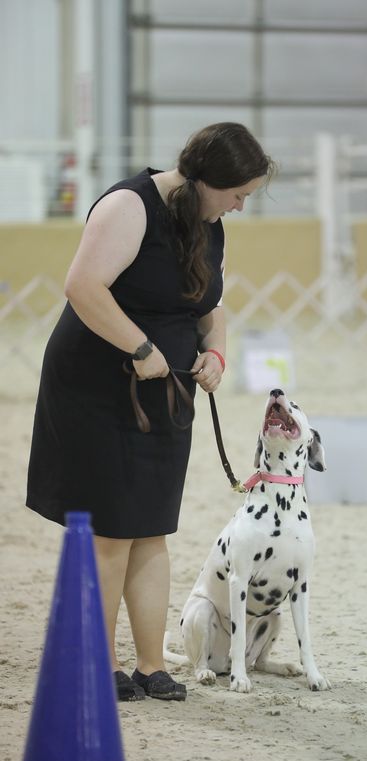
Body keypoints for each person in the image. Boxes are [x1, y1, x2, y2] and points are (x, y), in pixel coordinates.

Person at [26, 122, 275, 702]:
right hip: (97, 386)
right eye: (238, 194)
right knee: (110, 533)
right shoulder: (128, 206)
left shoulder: (209, 224)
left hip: (166, 392)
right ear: (209, 179)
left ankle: (146, 665)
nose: (241, 206)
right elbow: (83, 286)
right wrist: (140, 348)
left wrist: (216, 353)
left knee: (151, 529)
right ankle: (97, 663)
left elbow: (211, 306)